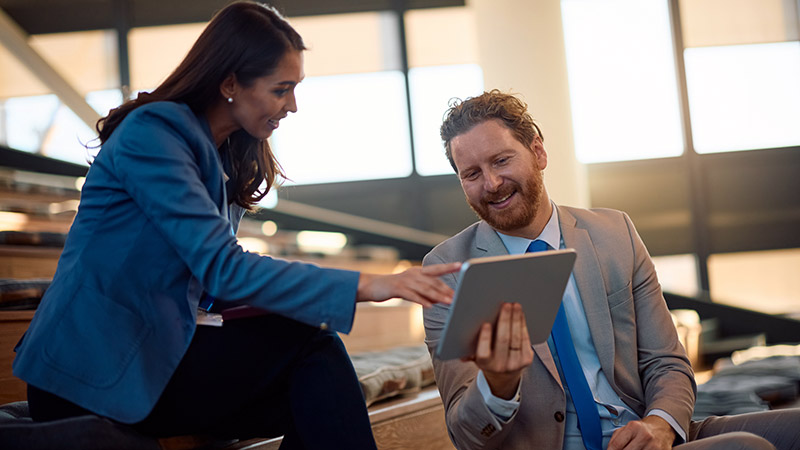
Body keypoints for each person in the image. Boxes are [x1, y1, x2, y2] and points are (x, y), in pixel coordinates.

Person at [12, 2, 459, 449]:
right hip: (90, 370)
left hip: (154, 355)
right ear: (229, 83)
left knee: (317, 383)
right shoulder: (152, 135)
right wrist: (374, 285)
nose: (294, 105)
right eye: (281, 89)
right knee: (313, 353)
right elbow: (222, 268)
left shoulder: (225, 150)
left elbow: (214, 280)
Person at [422, 90, 800, 450]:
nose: (491, 183)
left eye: (502, 160)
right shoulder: (447, 271)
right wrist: (497, 386)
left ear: (538, 150)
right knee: (746, 447)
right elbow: (467, 436)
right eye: (471, 174)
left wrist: (660, 424)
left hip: (645, 434)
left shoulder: (614, 233)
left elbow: (666, 361)